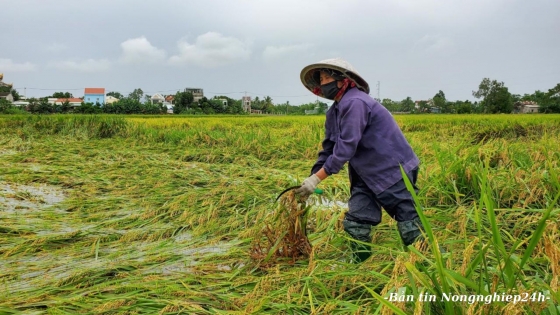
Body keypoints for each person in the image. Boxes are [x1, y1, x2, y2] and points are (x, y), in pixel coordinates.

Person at [295, 58, 425, 263]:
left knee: (409, 222)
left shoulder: (355, 102)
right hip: (365, 173)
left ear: (341, 80)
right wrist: (310, 178)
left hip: (392, 169)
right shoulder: (334, 112)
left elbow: (345, 148)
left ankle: (428, 264)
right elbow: (329, 148)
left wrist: (318, 179)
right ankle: (359, 266)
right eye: (321, 79)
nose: (323, 82)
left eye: (327, 77)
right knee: (356, 222)